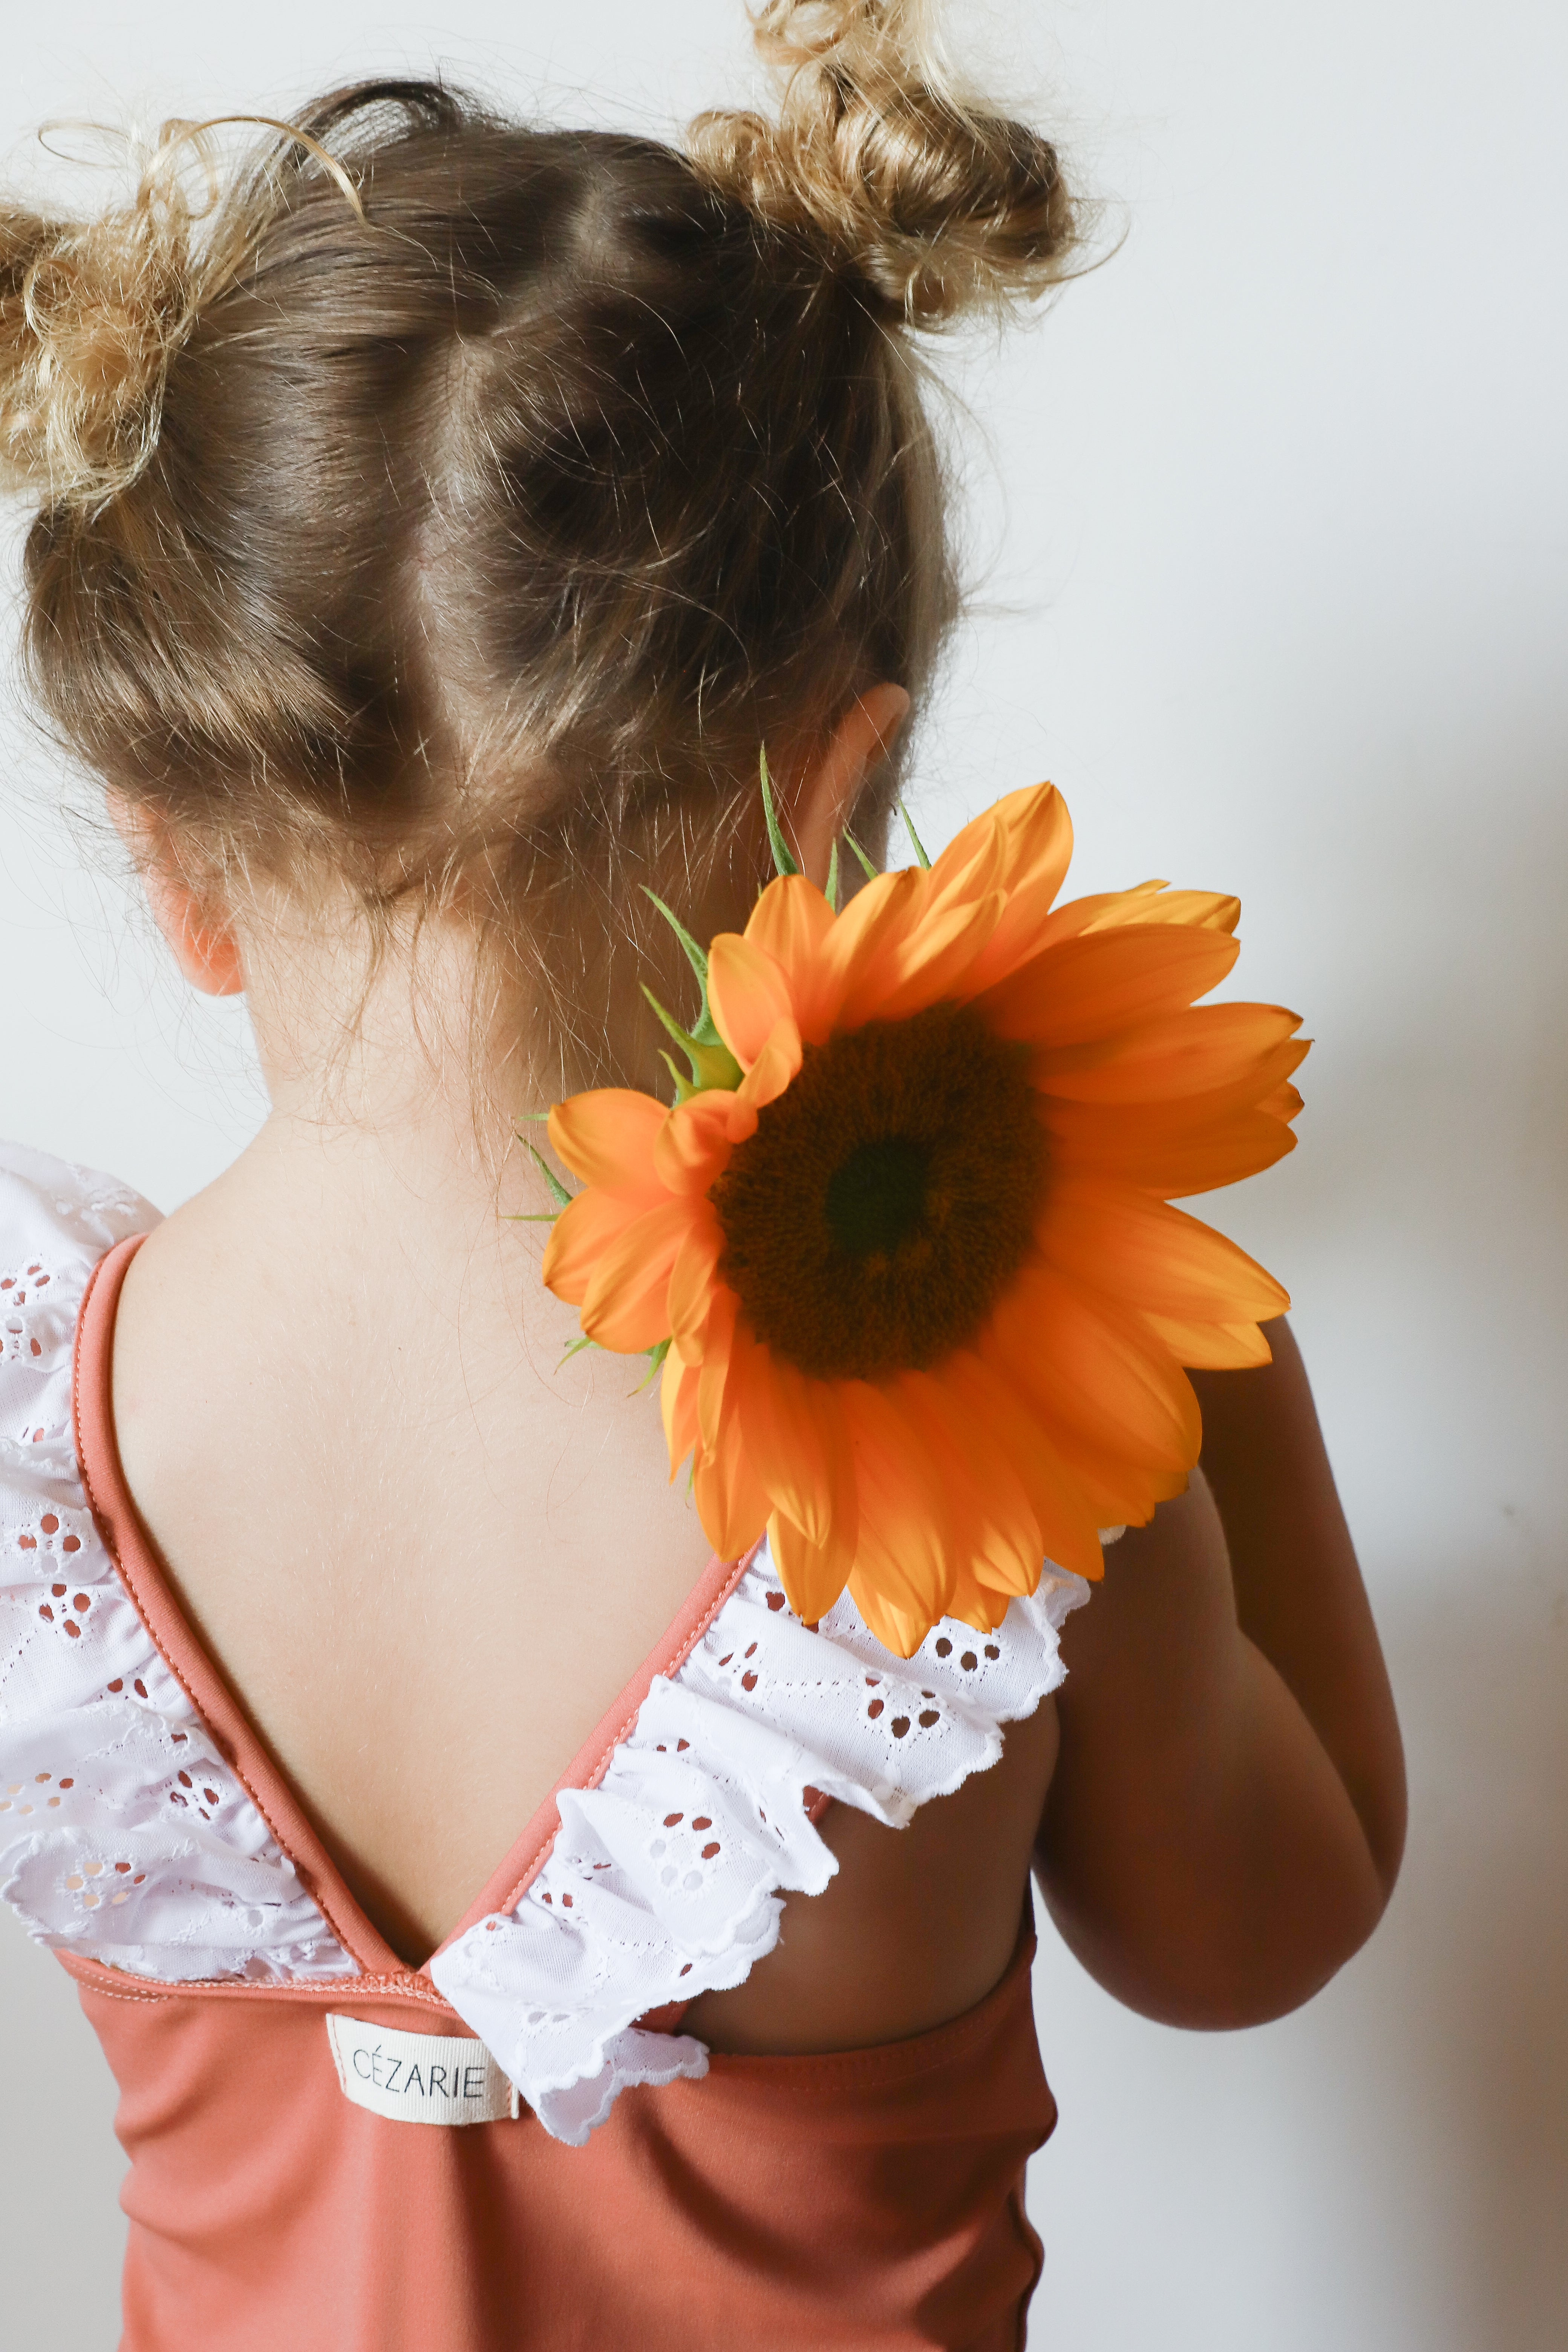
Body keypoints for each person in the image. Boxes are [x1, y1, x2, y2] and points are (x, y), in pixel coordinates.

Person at [0, 8, 1405, 2346]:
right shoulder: (998, 1443)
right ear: (841, 793)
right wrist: (1175, 1337)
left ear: (176, 856)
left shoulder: (47, 1432)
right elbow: (1255, 1933)